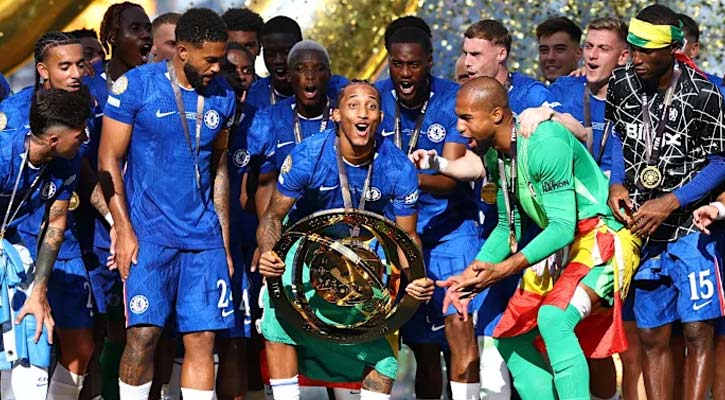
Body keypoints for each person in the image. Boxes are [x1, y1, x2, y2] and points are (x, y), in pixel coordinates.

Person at [430, 76, 640, 400]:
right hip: (563, 246)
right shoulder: (495, 155)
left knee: (554, 319)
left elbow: (562, 227)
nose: (458, 127)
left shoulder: (545, 141)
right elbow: (507, 226)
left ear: (497, 115)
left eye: (466, 118)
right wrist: (470, 274)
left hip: (601, 238)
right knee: (510, 336)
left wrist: (504, 269)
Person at [256, 79, 433, 400]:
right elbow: (273, 217)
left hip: (365, 258)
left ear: (380, 117)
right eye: (353, 105)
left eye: (371, 106)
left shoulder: (398, 167)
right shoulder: (308, 155)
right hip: (305, 253)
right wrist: (270, 253)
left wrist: (416, 278)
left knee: (383, 357)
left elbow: (407, 237)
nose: (363, 113)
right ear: (336, 115)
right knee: (277, 314)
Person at [98, 8, 236, 400]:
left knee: (203, 338)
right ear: (183, 51)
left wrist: (223, 241)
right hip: (149, 234)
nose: (216, 68)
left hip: (203, 239)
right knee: (143, 335)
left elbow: (219, 167)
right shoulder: (137, 86)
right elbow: (108, 158)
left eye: (221, 60)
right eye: (210, 59)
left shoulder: (223, 96)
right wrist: (123, 228)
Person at [606, 5, 725, 399]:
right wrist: (617, 183)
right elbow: (619, 135)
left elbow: (721, 161)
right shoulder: (621, 81)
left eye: (647, 51)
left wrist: (672, 201)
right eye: (633, 47)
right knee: (652, 335)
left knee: (698, 330)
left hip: (692, 228)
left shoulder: (704, 94)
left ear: (674, 49)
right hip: (642, 228)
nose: (636, 58)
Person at [376, 26, 482, 400]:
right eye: (398, 64)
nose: (406, 73)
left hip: (452, 231)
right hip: (401, 231)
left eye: (415, 64)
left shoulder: (452, 99)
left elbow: (451, 178)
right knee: (422, 347)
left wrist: (402, 176)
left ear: (430, 62)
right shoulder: (374, 99)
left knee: (459, 325)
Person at [0, 31, 103, 400]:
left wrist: (39, 290)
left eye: (81, 64)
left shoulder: (69, 150)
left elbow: (57, 223)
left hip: (36, 251)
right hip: (14, 243)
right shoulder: (8, 140)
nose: (77, 73)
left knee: (46, 343)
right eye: (65, 66)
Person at [81, 4, 153, 399]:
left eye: (147, 28)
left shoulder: (156, 85)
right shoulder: (89, 90)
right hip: (98, 229)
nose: (145, 36)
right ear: (111, 36)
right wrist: (114, 221)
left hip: (149, 225)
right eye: (135, 28)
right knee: (93, 333)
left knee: (144, 328)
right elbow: (85, 165)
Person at [216, 41, 257, 400]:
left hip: (247, 244)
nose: (241, 77)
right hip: (204, 240)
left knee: (238, 338)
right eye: (232, 70)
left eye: (247, 70)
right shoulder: (204, 115)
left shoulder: (261, 121)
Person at [246, 16, 347, 111]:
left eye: (286, 52)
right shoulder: (254, 96)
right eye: (270, 54)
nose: (278, 60)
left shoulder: (337, 88)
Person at [536, 16, 582, 83]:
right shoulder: (532, 88)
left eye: (559, 49)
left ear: (578, 54)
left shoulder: (591, 88)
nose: (550, 57)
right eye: (544, 50)